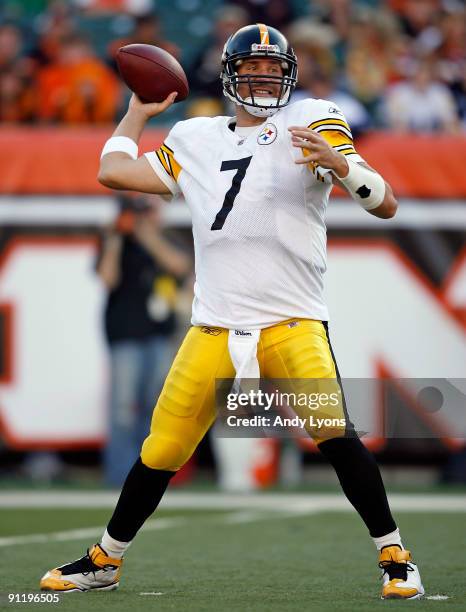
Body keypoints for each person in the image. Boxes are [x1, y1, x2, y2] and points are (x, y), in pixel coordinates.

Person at [40, 23, 425, 600]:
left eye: (275, 71)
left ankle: (396, 558)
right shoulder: (196, 137)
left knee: (337, 435)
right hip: (214, 324)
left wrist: (342, 167)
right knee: (162, 449)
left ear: (290, 76)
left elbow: (385, 203)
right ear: (229, 77)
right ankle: (104, 560)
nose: (265, 81)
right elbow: (113, 171)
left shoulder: (313, 117)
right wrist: (138, 113)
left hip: (292, 320)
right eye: (253, 71)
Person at [96, 194, 191, 486]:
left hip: (159, 334)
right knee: (123, 409)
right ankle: (119, 477)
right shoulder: (115, 242)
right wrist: (114, 238)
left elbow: (179, 266)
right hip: (125, 334)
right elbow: (107, 278)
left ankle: (148, 476)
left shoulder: (166, 239)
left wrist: (146, 234)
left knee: (155, 407)